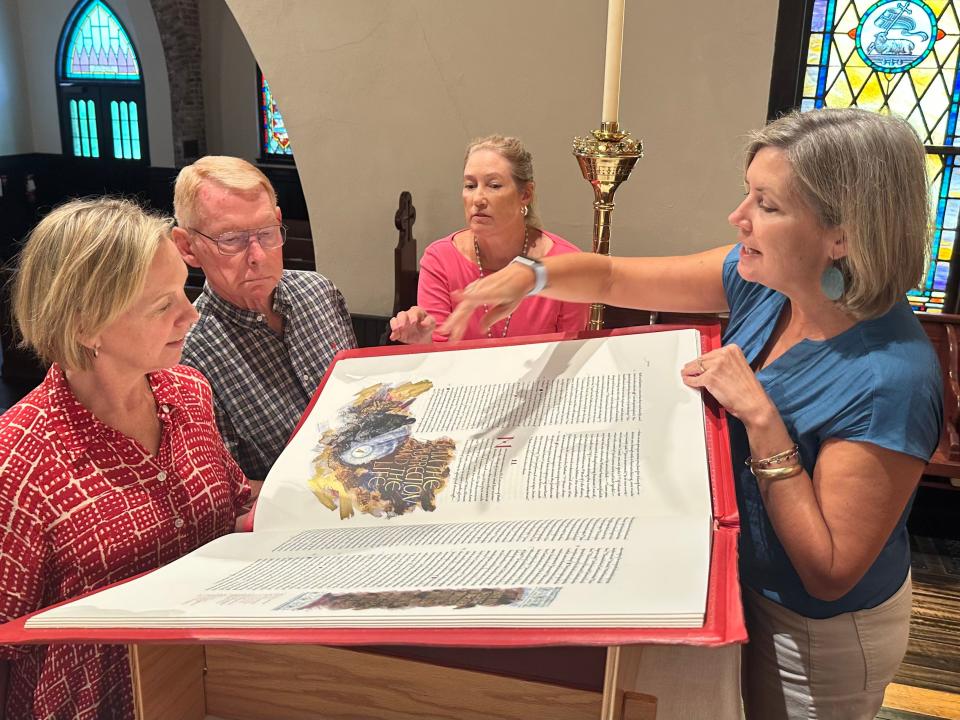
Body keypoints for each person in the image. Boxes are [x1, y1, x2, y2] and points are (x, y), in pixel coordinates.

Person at [443, 108, 943, 720]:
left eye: (766, 204)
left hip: (817, 633)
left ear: (841, 234)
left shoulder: (890, 377)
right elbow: (610, 275)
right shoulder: (766, 279)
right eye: (747, 193)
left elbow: (829, 571)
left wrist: (761, 418)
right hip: (741, 578)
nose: (739, 217)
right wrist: (533, 272)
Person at [0, 198, 251, 720]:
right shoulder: (22, 458)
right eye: (162, 305)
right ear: (85, 325)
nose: (192, 312)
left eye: (183, 288)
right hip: (103, 701)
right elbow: (7, 635)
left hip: (213, 676)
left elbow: (228, 507)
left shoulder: (188, 392)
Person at [172, 157, 357, 481]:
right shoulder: (188, 356)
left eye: (267, 233)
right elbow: (231, 492)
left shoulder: (319, 292)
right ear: (188, 247)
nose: (258, 255)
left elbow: (359, 395)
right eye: (231, 239)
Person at [389, 135, 588, 343]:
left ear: (526, 194)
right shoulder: (440, 259)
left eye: (494, 185)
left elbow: (569, 356)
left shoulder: (565, 263)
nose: (478, 199)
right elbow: (439, 357)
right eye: (470, 185)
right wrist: (424, 342)